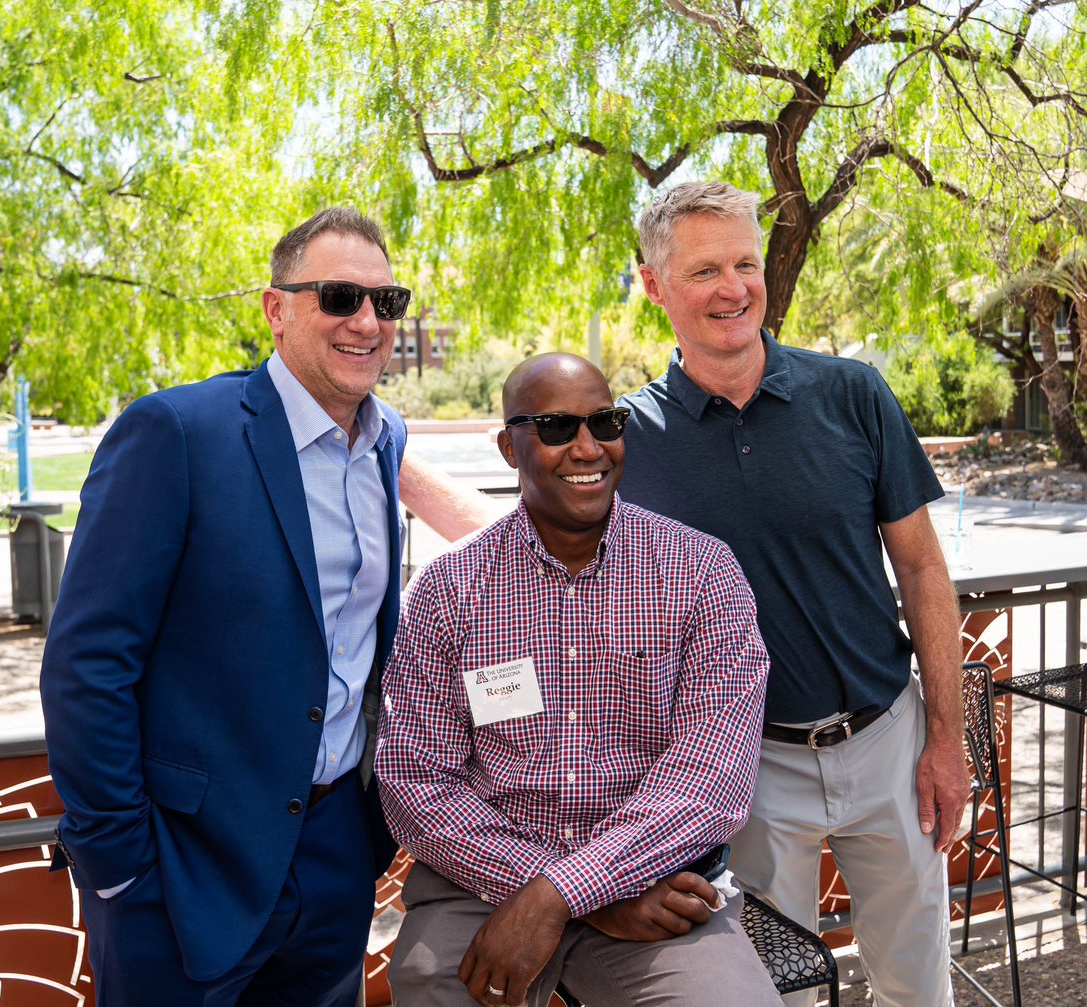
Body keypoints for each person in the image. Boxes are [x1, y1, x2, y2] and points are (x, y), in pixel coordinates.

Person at [40, 207, 412, 1006]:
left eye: (387, 301)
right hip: (179, 875)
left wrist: (364, 836)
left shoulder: (385, 443)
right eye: (340, 296)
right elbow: (86, 664)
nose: (366, 321)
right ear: (276, 310)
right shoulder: (177, 431)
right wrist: (121, 868)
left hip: (334, 865)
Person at [618, 181, 969, 1006]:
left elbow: (921, 568)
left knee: (919, 985)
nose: (734, 288)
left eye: (746, 262)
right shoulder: (631, 439)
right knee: (777, 992)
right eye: (705, 269)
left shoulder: (853, 394)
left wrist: (945, 738)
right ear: (654, 284)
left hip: (889, 736)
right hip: (749, 766)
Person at [376, 352, 781, 1007]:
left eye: (605, 421)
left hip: (657, 884)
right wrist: (579, 894)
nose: (587, 446)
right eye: (558, 427)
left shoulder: (701, 573)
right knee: (433, 989)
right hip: (481, 883)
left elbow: (710, 782)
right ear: (510, 446)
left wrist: (564, 893)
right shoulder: (449, 591)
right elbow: (416, 783)